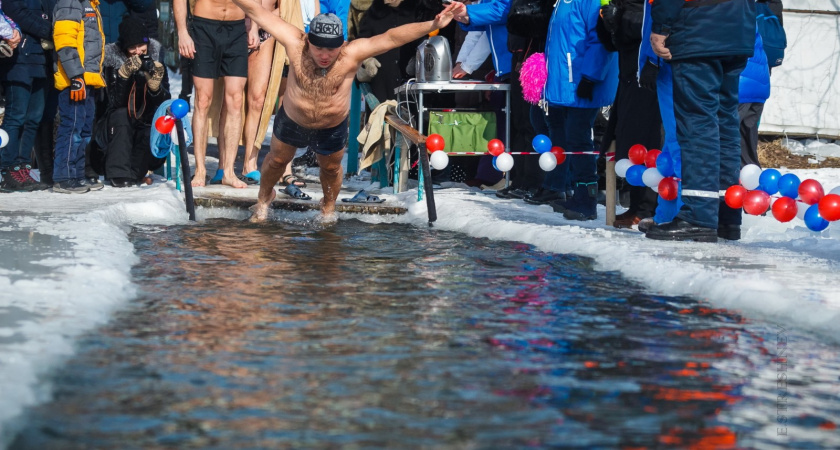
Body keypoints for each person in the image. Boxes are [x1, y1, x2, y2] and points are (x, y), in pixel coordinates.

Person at [234, 4, 460, 221]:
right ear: (308, 40)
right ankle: (263, 200)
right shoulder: (295, 42)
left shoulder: (351, 53)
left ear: (341, 44)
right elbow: (256, 11)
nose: (324, 55)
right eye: (318, 48)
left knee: (331, 168)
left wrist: (432, 25)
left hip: (331, 125)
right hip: (293, 118)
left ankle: (328, 207)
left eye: (331, 49)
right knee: (276, 161)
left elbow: (392, 37)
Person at [645, 0, 755, 242]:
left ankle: (698, 214)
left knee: (697, 124)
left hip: (698, 27)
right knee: (725, 120)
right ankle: (726, 213)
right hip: (739, 26)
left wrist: (661, 26)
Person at [174, 0, 259, 188]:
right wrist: (182, 32)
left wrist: (254, 27)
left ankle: (228, 172)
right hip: (204, 27)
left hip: (236, 29)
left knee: (236, 100)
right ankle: (200, 170)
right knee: (203, 100)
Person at [597, 0, 661, 228]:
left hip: (647, 77)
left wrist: (621, 18)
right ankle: (636, 205)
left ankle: (647, 207)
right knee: (630, 141)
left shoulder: (643, 5)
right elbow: (613, 43)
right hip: (627, 78)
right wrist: (607, 22)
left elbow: (647, 25)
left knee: (647, 140)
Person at [98, 16, 169, 187]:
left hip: (143, 125)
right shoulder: (112, 63)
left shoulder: (156, 62)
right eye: (132, 47)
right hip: (115, 128)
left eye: (141, 46)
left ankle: (135, 174)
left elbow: (165, 104)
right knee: (121, 115)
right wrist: (123, 76)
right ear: (124, 48)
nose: (138, 51)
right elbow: (113, 104)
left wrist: (155, 89)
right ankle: (119, 173)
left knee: (151, 123)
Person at [51, 0, 105, 193]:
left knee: (85, 130)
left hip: (88, 78)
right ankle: (63, 177)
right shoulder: (70, 2)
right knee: (72, 127)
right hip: (74, 78)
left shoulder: (91, 4)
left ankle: (77, 174)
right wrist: (75, 76)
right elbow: (65, 41)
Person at [0, 0, 53, 192]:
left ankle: (23, 167)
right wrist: (51, 31)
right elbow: (17, 12)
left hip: (41, 59)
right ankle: (8, 169)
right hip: (18, 60)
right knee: (16, 116)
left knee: (33, 118)